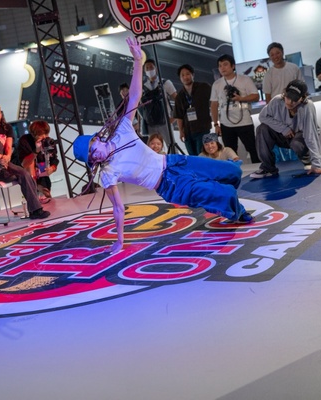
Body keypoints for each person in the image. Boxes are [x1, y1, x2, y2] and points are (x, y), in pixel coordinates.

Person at [73, 37, 253, 254]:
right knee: (220, 193)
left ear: (97, 139)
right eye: (91, 157)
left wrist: (138, 61)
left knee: (230, 171)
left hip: (175, 161)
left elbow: (134, 96)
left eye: (92, 148)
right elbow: (118, 208)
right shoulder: (107, 174)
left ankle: (227, 193)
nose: (95, 154)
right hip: (168, 184)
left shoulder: (121, 131)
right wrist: (119, 240)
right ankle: (236, 210)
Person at [0, 100, 50, 219]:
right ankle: (1, 171)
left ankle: (35, 210)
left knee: (25, 174)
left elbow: (9, 147)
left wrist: (7, 157)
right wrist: (0, 157)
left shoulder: (7, 128)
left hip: (6, 164)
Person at [250, 80, 321, 178]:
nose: (290, 102)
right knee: (262, 129)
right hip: (283, 135)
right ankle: (268, 168)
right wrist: (283, 129)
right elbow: (262, 116)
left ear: (302, 98)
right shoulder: (277, 100)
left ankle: (307, 158)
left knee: (296, 144)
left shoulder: (307, 107)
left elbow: (311, 135)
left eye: (294, 99)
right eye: (288, 97)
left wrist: (316, 165)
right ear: (285, 94)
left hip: (300, 138)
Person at [210, 54, 260, 163]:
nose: (222, 68)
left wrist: (241, 98)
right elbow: (214, 104)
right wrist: (216, 124)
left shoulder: (244, 79)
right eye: (220, 66)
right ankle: (235, 171)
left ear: (233, 66)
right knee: (230, 152)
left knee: (253, 149)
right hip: (226, 124)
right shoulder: (217, 84)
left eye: (225, 65)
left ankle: (260, 169)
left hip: (244, 121)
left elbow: (256, 96)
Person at [173, 64, 212, 155]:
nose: (185, 77)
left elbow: (214, 101)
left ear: (193, 75)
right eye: (182, 75)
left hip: (203, 128)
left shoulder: (204, 87)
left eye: (188, 74)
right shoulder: (180, 96)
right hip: (188, 131)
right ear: (180, 78)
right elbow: (179, 116)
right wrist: (181, 131)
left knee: (203, 154)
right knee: (192, 156)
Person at [17, 119, 59, 201]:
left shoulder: (49, 142)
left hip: (41, 170)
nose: (44, 137)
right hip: (24, 168)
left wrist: (52, 168)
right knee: (31, 162)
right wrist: (36, 151)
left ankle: (43, 190)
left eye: (46, 134)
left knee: (46, 189)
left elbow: (54, 160)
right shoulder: (25, 141)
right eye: (41, 134)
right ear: (34, 134)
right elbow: (24, 163)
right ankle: (34, 188)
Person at [140, 58, 177, 145]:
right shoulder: (143, 87)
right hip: (151, 123)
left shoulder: (165, 83)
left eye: (151, 67)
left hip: (165, 121)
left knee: (171, 146)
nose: (149, 70)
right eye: (147, 68)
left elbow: (178, 100)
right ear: (144, 71)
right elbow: (141, 107)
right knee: (153, 147)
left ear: (156, 69)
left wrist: (175, 117)